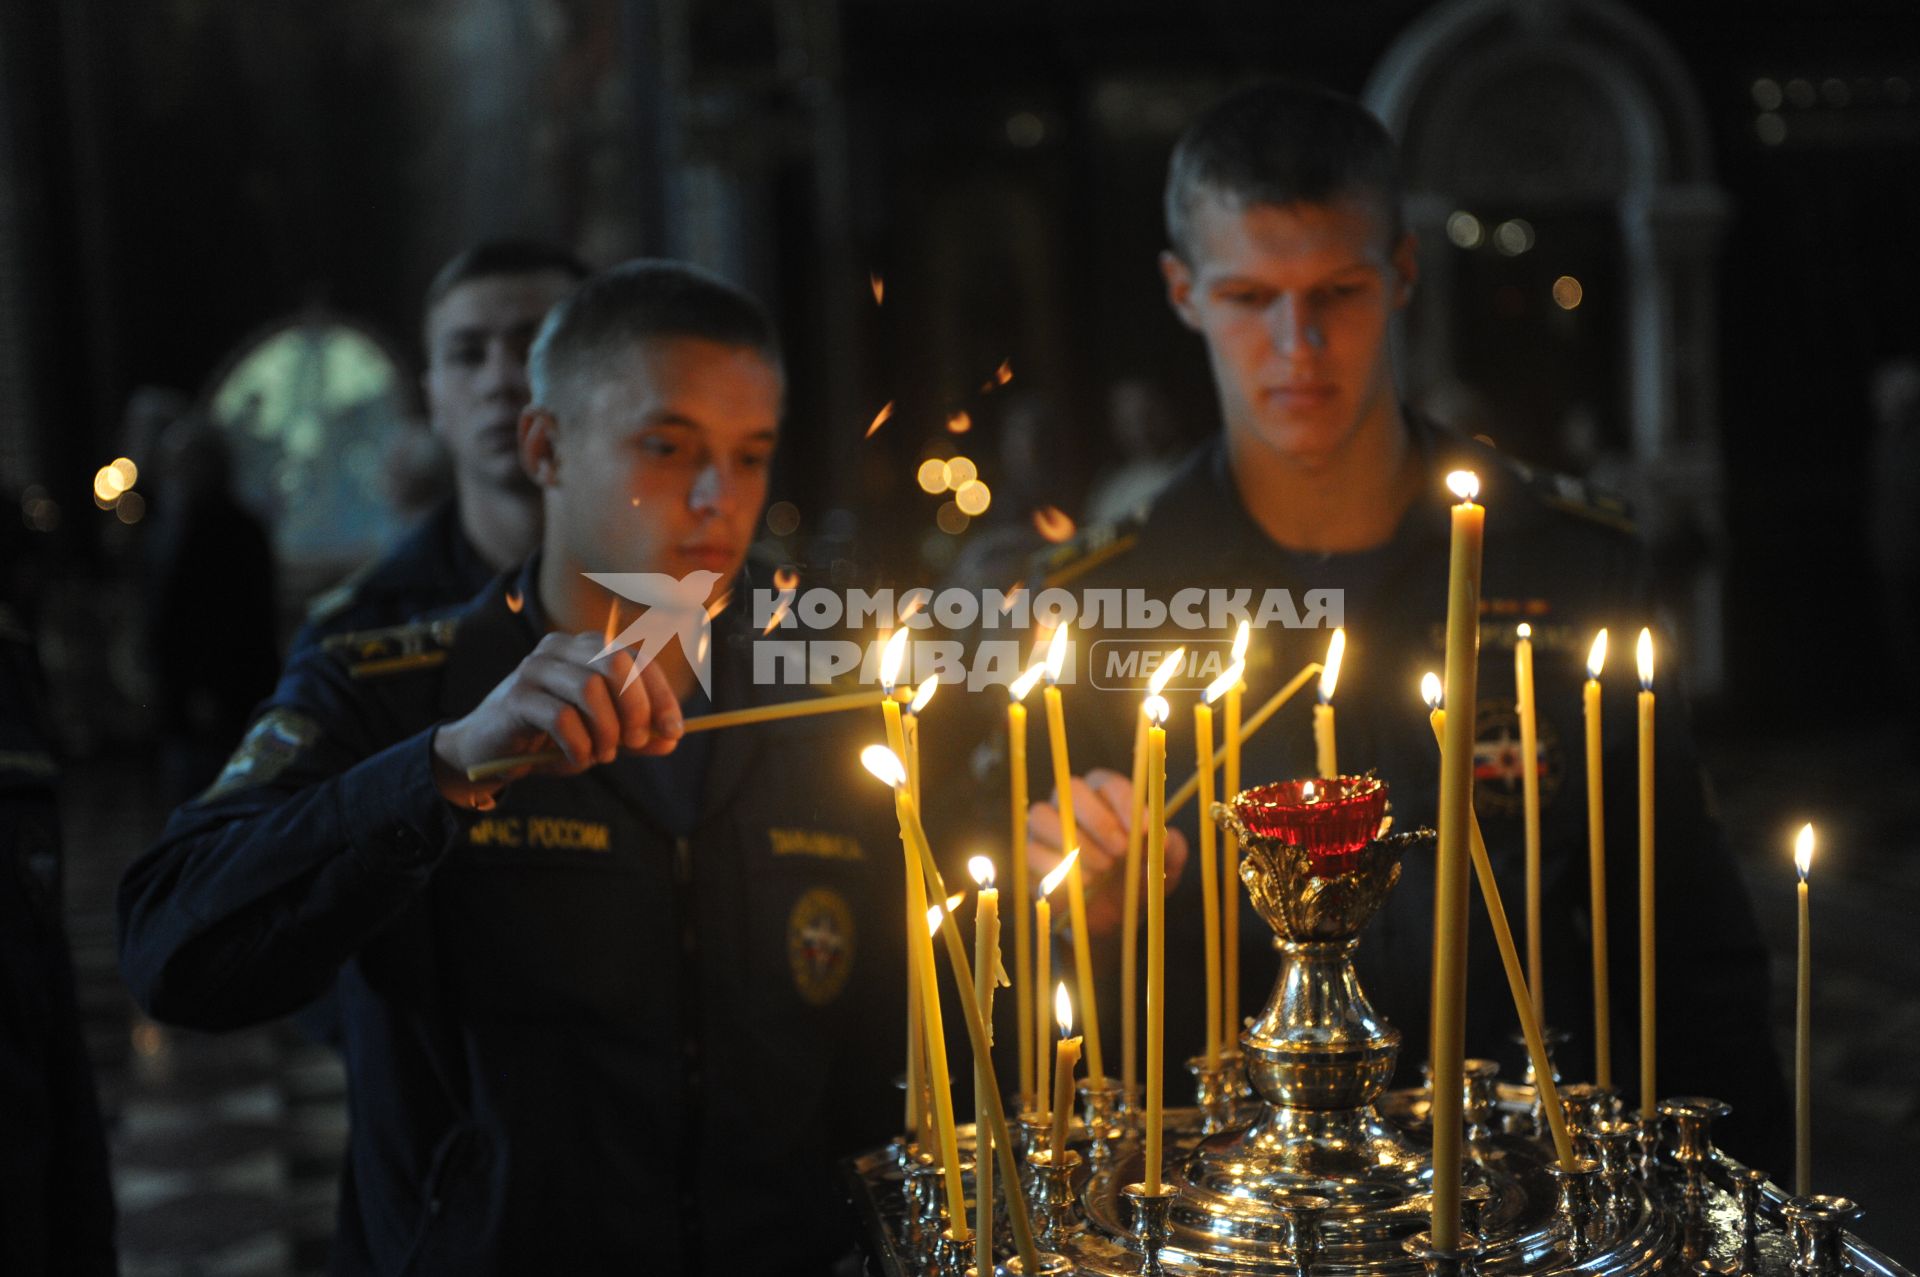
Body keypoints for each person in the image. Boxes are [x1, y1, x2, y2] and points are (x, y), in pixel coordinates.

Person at [1018, 80, 1788, 1167]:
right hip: (1233, 1198)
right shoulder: (1107, 598)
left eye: (1338, 288)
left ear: (1405, 273)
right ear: (1183, 292)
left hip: (1523, 1186)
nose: (1300, 343)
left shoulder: (1563, 556)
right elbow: (1045, 993)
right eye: (1250, 296)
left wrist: (1745, 1191)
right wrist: (1072, 902)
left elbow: (1684, 935)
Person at [119, 260, 904, 1274]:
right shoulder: (395, 680)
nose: (719, 498)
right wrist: (437, 772)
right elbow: (172, 944)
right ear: (546, 446)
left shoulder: (821, 690)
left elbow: (899, 1021)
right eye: (666, 446)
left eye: (750, 455)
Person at [291, 238, 590, 652]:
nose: (499, 381)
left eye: (536, 349)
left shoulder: (681, 582)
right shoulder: (363, 627)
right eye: (468, 355)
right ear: (433, 400)